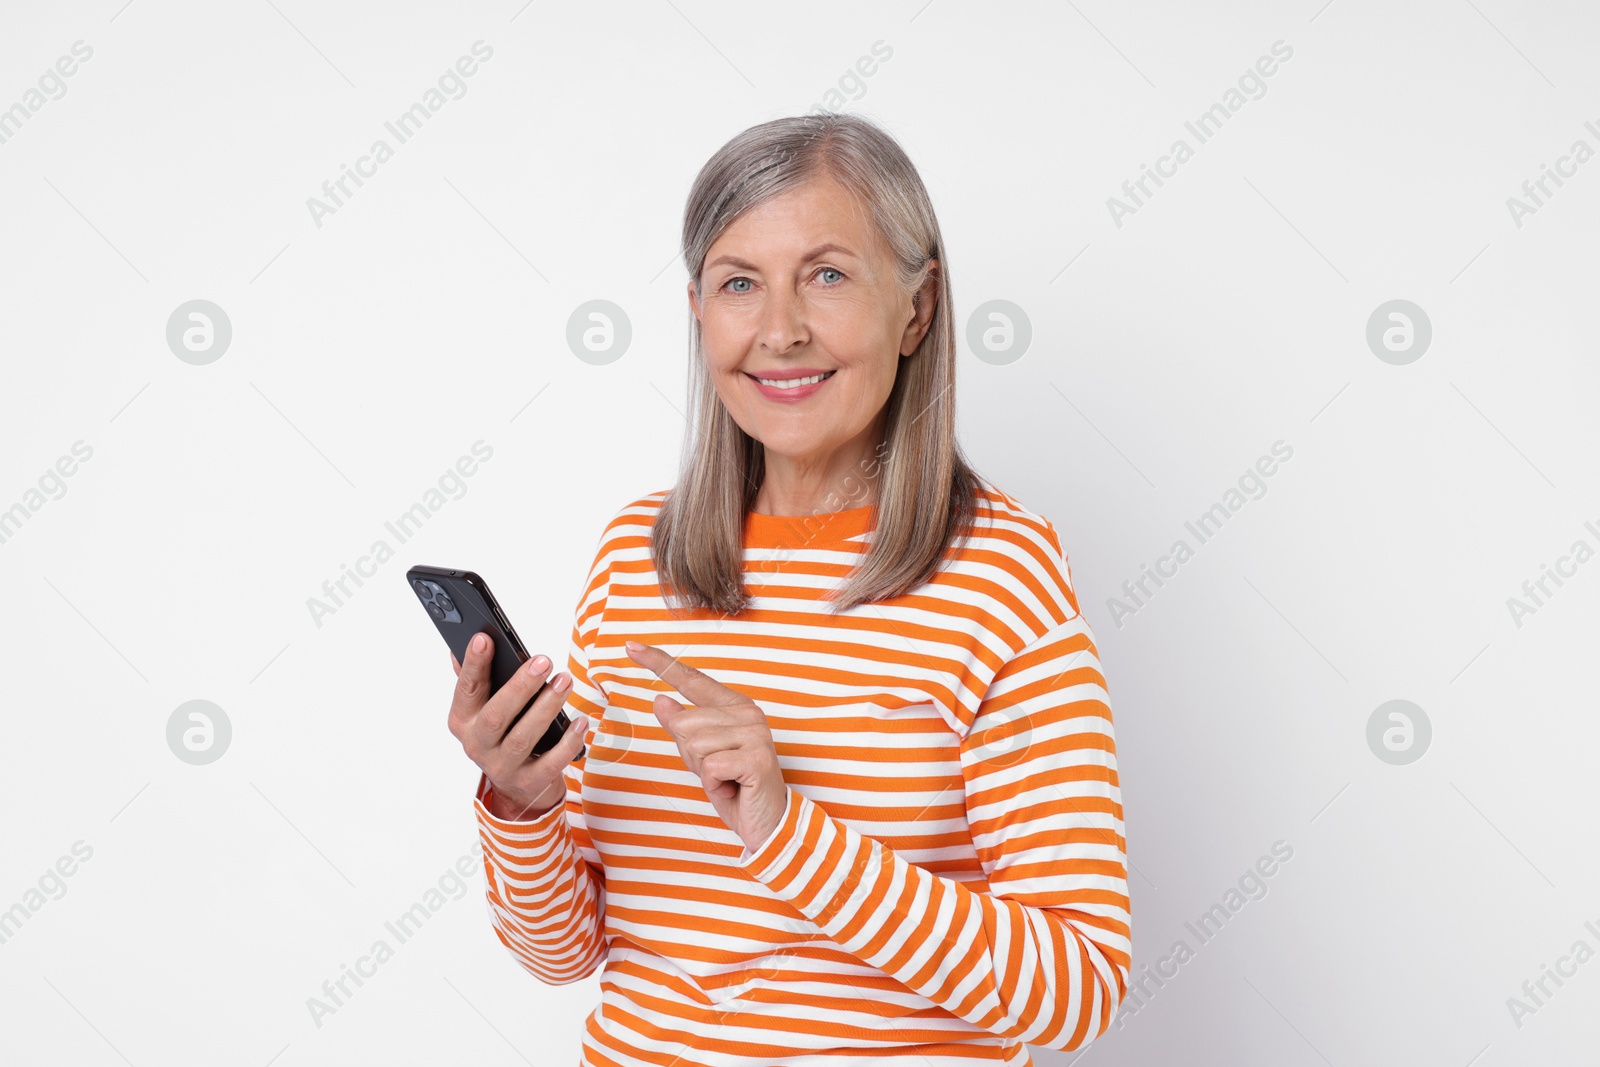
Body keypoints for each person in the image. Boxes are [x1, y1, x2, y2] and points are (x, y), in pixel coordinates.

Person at [445, 112, 1131, 1066]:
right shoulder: (635, 558)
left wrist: (787, 828)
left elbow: (1081, 987)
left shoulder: (1000, 575)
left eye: (828, 275)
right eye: (739, 284)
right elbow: (564, 955)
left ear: (917, 308)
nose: (779, 331)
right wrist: (522, 801)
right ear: (698, 311)